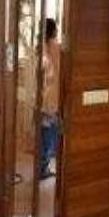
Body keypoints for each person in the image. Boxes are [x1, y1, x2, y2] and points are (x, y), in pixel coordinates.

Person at [41, 18, 61, 180]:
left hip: (44, 96)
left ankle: (43, 167)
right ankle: (43, 168)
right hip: (54, 96)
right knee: (50, 135)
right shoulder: (57, 47)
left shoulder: (41, 47)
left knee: (45, 133)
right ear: (54, 30)